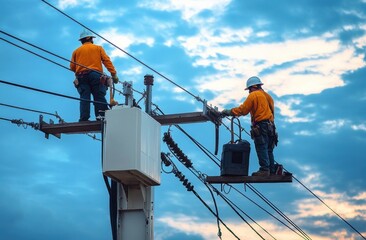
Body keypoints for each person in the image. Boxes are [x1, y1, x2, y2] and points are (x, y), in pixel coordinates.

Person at [221, 76, 278, 176]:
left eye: (249, 89)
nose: (249, 92)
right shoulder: (268, 96)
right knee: (269, 149)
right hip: (271, 127)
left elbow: (243, 110)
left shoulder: (254, 95)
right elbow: (272, 112)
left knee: (261, 147)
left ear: (253, 87)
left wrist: (229, 112)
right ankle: (271, 170)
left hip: (262, 125)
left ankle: (265, 170)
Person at [70, 29, 119, 122]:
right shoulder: (98, 48)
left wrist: (81, 69)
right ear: (89, 38)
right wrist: (114, 74)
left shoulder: (76, 51)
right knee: (98, 95)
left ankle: (84, 118)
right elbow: (106, 61)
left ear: (82, 40)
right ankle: (101, 115)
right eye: (92, 38)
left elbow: (72, 67)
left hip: (81, 77)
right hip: (95, 75)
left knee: (84, 97)